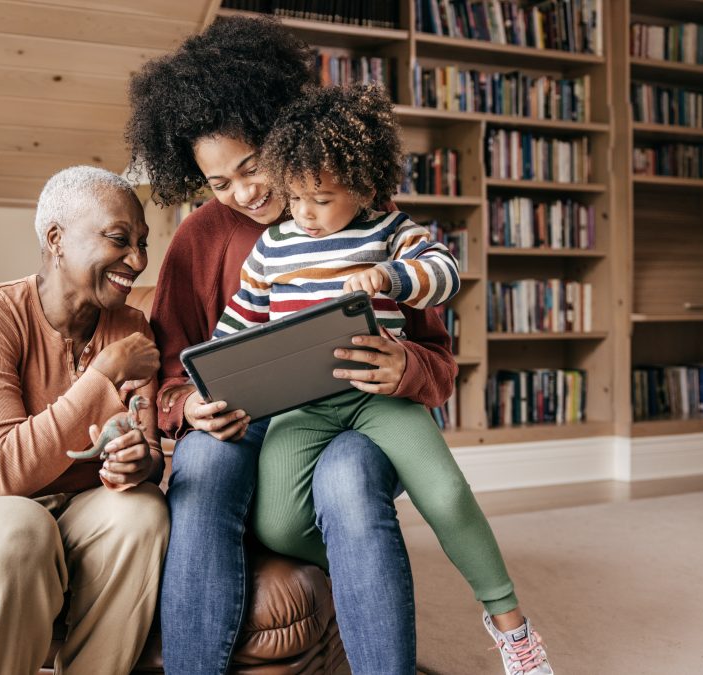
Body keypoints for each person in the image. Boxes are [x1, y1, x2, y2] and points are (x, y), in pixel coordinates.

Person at [126, 16, 455, 674]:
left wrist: (403, 367)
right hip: (246, 421)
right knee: (204, 466)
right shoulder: (199, 238)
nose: (243, 192)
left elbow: (437, 363)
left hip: (353, 415)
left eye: (251, 166)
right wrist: (188, 407)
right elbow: (168, 374)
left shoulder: (361, 210)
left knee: (350, 476)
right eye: (218, 183)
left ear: (279, 129)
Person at [216, 83, 553, 675]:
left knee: (446, 494)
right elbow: (237, 325)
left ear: (365, 186)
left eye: (320, 198)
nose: (304, 213)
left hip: (380, 398)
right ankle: (369, 566)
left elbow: (444, 272)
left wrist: (391, 278)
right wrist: (212, 380)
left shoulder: (391, 229)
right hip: (304, 406)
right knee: (276, 521)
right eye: (293, 197)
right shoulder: (272, 247)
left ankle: (511, 626)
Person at [0, 166, 170, 674]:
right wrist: (101, 376)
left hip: (70, 511)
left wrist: (137, 464)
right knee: (22, 525)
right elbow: (3, 473)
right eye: (119, 239)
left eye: (143, 243)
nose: (138, 260)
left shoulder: (130, 326)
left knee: (142, 510)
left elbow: (147, 452)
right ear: (56, 239)